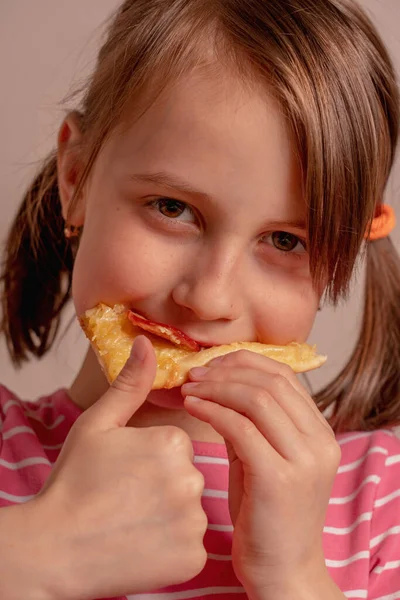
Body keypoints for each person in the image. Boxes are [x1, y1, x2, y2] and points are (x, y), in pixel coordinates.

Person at [0, 0, 399, 598]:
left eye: (285, 240)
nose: (209, 298)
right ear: (76, 177)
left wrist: (293, 576)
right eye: (172, 209)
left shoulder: (380, 497)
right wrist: (36, 556)